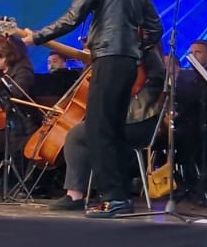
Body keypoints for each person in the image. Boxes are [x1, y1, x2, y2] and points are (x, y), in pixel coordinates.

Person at [17, 0, 163, 218]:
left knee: (99, 129)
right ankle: (119, 196)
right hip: (128, 62)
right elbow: (156, 29)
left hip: (108, 60)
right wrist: (134, 46)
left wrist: (38, 37)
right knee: (112, 129)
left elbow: (73, 17)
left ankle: (114, 198)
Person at [49, 41, 167, 211]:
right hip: (127, 123)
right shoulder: (138, 57)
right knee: (85, 132)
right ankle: (95, 192)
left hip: (138, 125)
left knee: (77, 134)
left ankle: (81, 195)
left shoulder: (141, 61)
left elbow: (129, 96)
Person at [175, 40, 207, 200]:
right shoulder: (189, 76)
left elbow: (200, 99)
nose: (194, 56)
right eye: (192, 53)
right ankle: (180, 181)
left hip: (203, 124)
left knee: (187, 136)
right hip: (187, 121)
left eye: (198, 52)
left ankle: (195, 183)